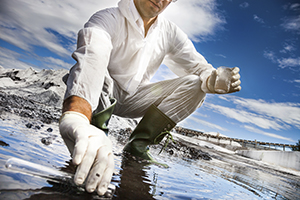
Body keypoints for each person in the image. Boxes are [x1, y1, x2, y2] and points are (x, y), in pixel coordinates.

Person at [59, 0, 241, 196]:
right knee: (101, 69)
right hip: (101, 93)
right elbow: (93, 54)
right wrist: (76, 116)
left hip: (136, 97)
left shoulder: (169, 32)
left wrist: (212, 79)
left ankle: (138, 146)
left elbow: (197, 66)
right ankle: (95, 133)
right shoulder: (108, 18)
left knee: (196, 84)